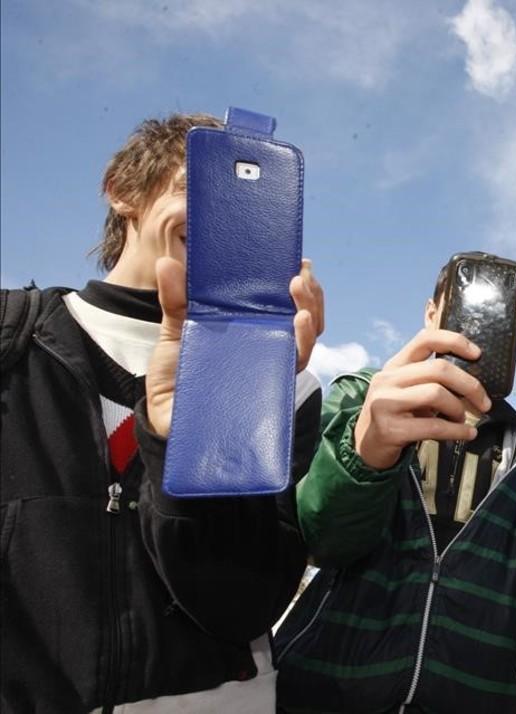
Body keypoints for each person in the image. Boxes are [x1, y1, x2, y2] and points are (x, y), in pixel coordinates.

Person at [0, 113, 325, 711]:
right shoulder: (11, 339)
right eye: (193, 189)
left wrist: (220, 424)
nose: (218, 217)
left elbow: (242, 604)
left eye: (240, 203)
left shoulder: (290, 386)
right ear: (124, 191)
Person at [274, 252, 516, 714]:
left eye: (498, 318)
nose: (476, 329)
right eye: (464, 311)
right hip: (328, 692)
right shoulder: (360, 396)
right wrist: (364, 454)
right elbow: (316, 541)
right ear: (430, 313)